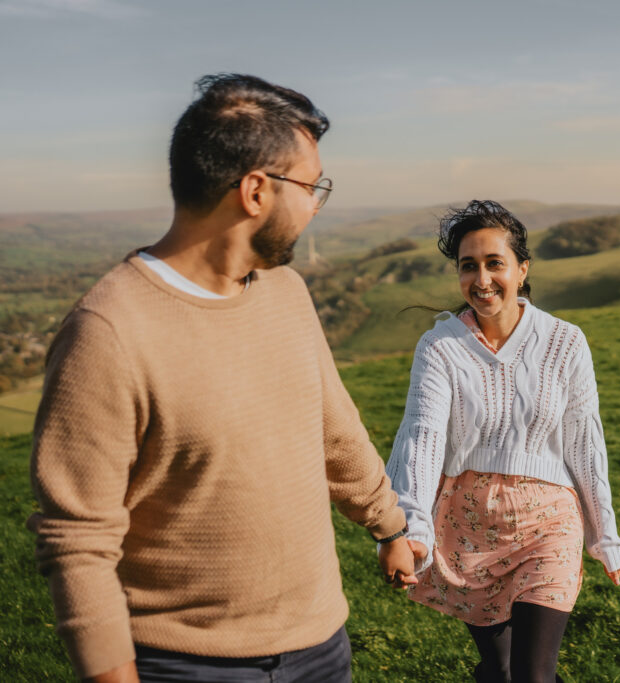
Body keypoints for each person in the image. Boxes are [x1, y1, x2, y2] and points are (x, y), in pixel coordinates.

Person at [28, 73, 415, 683]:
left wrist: (390, 527)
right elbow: (78, 543)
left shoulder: (287, 292)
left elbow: (334, 434)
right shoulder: (107, 332)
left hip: (322, 648)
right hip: (184, 666)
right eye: (312, 187)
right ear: (255, 191)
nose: (315, 205)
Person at [382, 200, 620, 682]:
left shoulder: (565, 342)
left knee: (534, 675)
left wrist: (604, 536)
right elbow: (422, 438)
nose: (481, 279)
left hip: (549, 524)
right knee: (502, 670)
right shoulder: (440, 347)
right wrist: (411, 529)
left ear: (522, 269)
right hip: (468, 528)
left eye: (495, 263)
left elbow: (585, 443)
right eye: (467, 266)